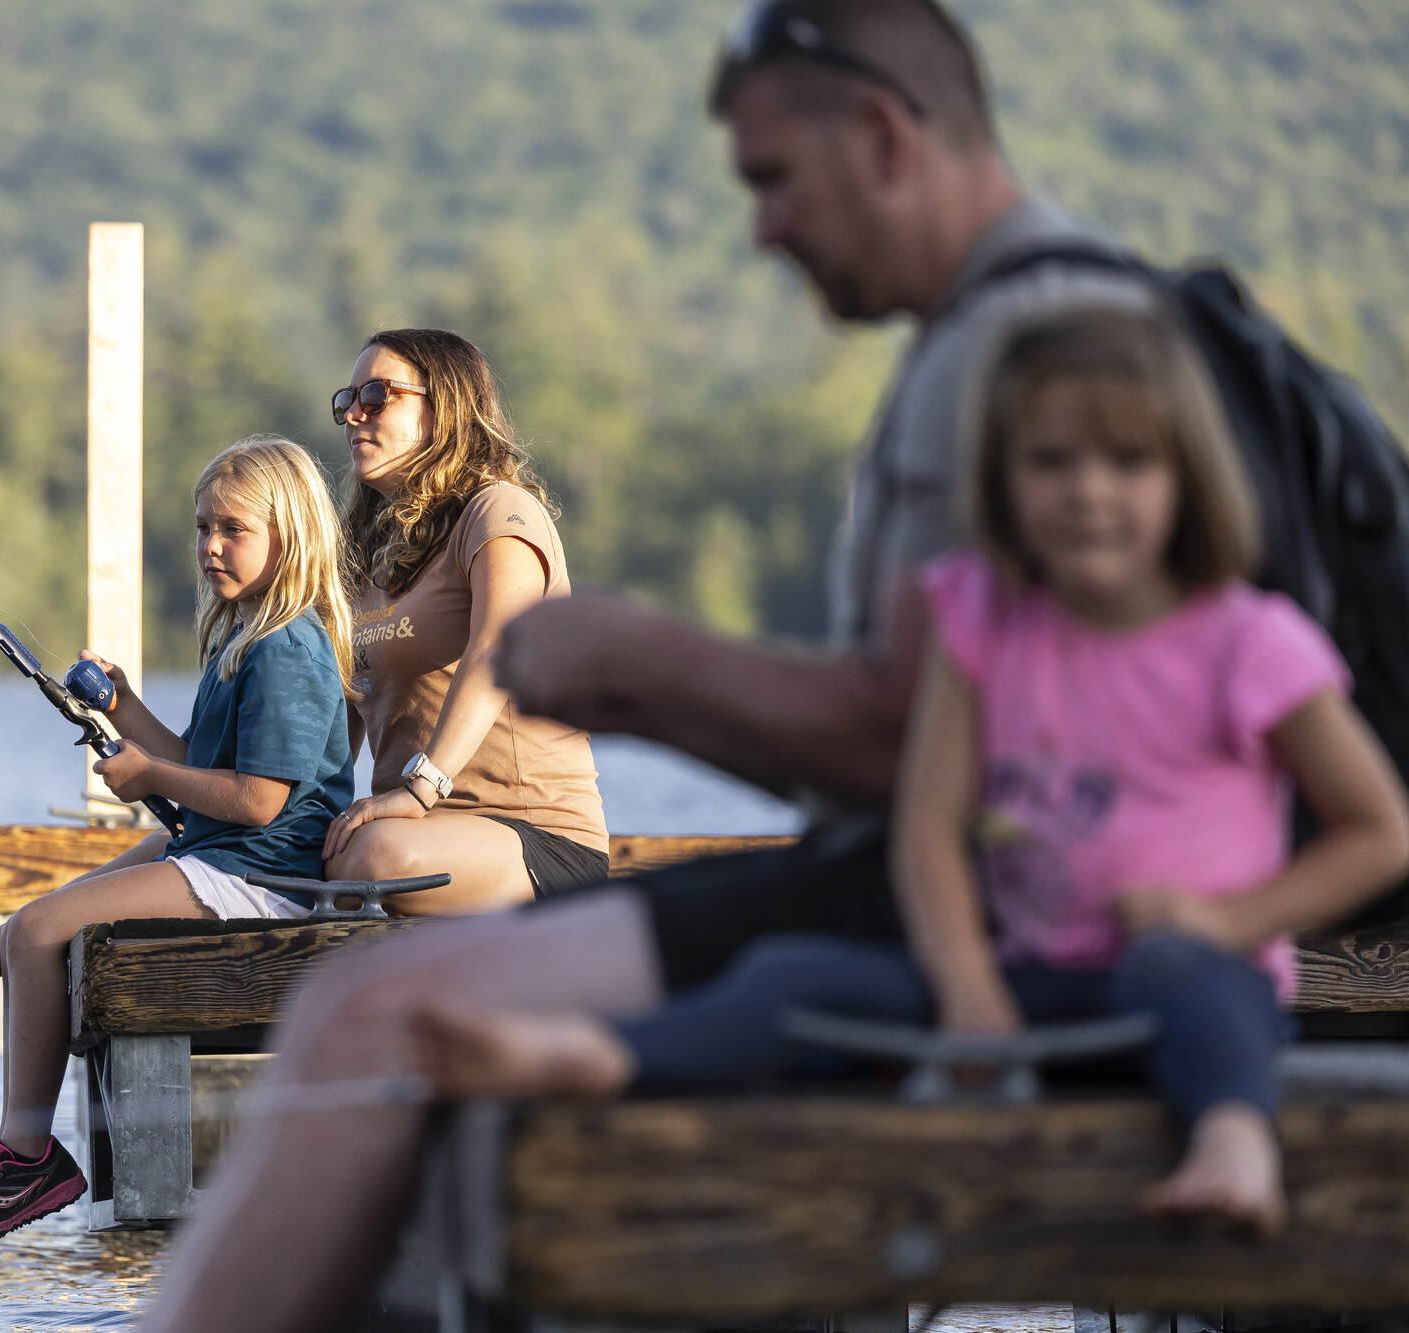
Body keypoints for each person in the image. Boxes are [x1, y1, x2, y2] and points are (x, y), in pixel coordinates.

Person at [138, 3, 1188, 1329]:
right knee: (389, 1014)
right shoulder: (1074, 314)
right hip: (932, 885)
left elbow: (928, 753)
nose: (760, 229)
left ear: (880, 135)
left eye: (771, 182)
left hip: (1009, 912)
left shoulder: (1013, 362)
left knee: (364, 1028)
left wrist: (655, 667)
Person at [409, 305, 1409, 1237]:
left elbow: (1377, 830)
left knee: (1195, 980)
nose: (1087, 489)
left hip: (1179, 987)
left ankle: (1232, 1141)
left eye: (1128, 460)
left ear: (1186, 476)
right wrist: (966, 984)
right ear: (1002, 482)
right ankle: (594, 1055)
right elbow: (929, 825)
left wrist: (1228, 920)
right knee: (789, 973)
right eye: (1050, 461)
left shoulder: (1245, 639)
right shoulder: (983, 623)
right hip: (1023, 985)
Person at [0, 436, 358, 1247]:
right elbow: (198, 764)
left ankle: (26, 1156)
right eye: (202, 527)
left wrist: (148, 779)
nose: (210, 545)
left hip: (263, 876)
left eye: (233, 530)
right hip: (222, 854)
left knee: (41, 929)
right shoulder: (244, 635)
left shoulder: (289, 646)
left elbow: (259, 799)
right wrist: (127, 709)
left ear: (293, 535)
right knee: (54, 912)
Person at [322, 328, 609, 912]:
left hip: (535, 839)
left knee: (377, 859)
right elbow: (337, 719)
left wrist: (422, 788)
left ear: (445, 408)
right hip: (411, 830)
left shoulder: (498, 512)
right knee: (252, 846)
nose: (354, 415)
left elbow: (495, 653)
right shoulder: (361, 553)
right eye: (345, 401)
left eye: (375, 396)